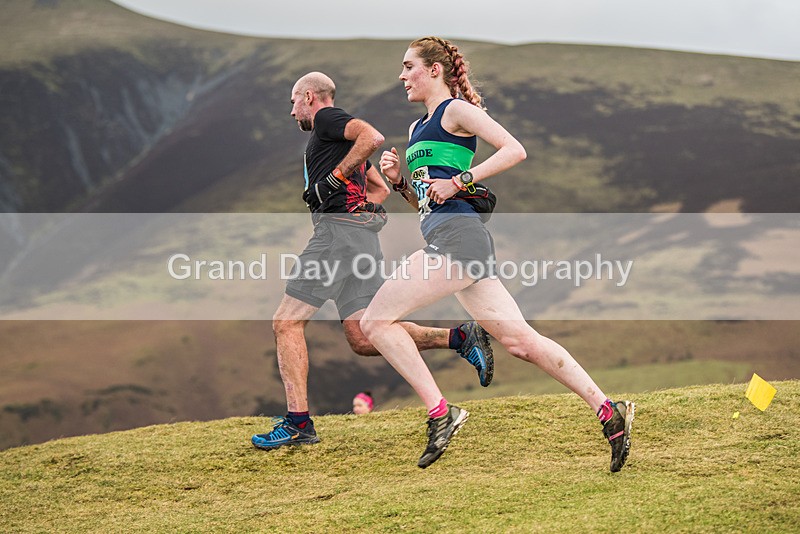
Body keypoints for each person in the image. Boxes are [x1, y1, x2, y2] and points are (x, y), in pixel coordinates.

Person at [360, 38, 635, 470]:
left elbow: (514, 150)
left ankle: (440, 413)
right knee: (521, 343)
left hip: (458, 240)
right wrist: (399, 183)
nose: (402, 75)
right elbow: (429, 202)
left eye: (409, 66)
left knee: (374, 322)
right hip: (452, 236)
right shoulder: (416, 130)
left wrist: (461, 180)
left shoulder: (456, 111)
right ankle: (608, 410)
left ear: (434, 70)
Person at [251, 72, 494, 450]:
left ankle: (298, 423)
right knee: (363, 337)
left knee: (286, 322)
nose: (292, 111)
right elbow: (378, 188)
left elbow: (372, 137)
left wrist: (335, 180)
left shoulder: (327, 120)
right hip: (359, 240)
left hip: (336, 236)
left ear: (310, 97)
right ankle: (459, 337)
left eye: (294, 101)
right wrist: (360, 206)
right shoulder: (335, 142)